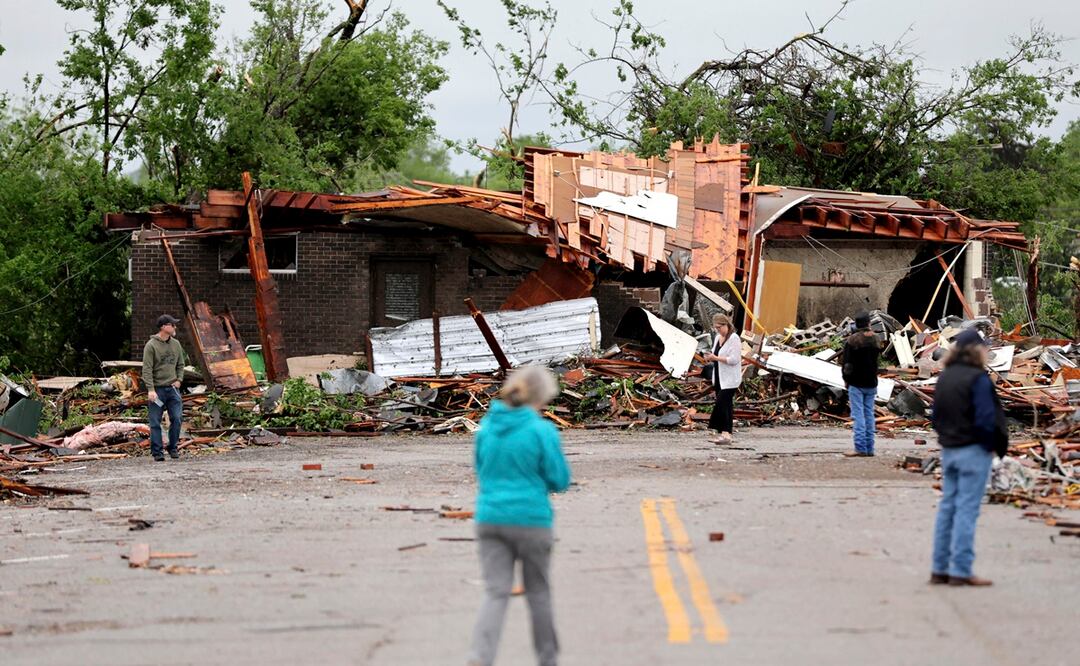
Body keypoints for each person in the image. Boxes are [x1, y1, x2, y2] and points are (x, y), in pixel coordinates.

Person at [468, 365, 571, 666]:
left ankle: (480, 657)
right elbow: (560, 479)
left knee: (495, 593)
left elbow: (481, 470)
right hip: (531, 520)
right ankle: (547, 659)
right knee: (538, 592)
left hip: (490, 517)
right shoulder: (541, 431)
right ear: (540, 398)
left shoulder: (486, 428)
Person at [929, 328, 1008, 587]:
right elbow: (987, 419)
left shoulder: (946, 377)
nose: (987, 351)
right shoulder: (978, 379)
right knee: (966, 510)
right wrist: (990, 446)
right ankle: (961, 571)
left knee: (947, 508)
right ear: (976, 350)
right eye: (984, 347)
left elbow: (934, 417)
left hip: (949, 450)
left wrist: (947, 439)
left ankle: (939, 569)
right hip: (973, 450)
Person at [142, 314, 185, 462]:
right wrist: (150, 389)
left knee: (177, 418)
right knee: (155, 422)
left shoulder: (176, 344)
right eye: (172, 325)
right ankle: (157, 452)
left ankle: (172, 448)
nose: (174, 327)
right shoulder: (151, 345)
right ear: (163, 327)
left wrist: (179, 380)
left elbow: (181, 364)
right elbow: (147, 369)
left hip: (173, 389)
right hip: (158, 390)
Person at [841, 311, 880, 457]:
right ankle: (870, 449)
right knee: (869, 415)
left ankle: (860, 448)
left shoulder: (852, 340)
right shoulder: (876, 339)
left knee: (858, 416)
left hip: (856, 383)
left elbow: (847, 365)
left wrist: (846, 379)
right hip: (871, 382)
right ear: (869, 323)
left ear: (856, 325)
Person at [703, 313, 742, 444]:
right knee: (727, 405)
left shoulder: (734, 339)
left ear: (726, 325)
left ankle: (725, 433)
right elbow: (715, 353)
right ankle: (725, 434)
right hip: (719, 376)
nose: (718, 330)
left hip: (730, 378)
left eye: (720, 327)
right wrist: (709, 356)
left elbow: (734, 359)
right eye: (716, 328)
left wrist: (716, 358)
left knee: (722, 404)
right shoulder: (717, 337)